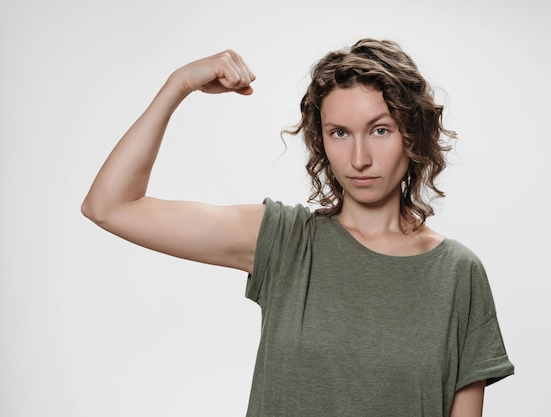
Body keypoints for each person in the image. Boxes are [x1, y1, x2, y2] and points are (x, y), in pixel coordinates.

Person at [82, 38, 514, 417]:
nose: (359, 158)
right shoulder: (285, 241)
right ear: (320, 140)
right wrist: (178, 84)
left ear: (412, 135)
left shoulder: (457, 273)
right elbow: (110, 206)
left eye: (380, 130)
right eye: (340, 133)